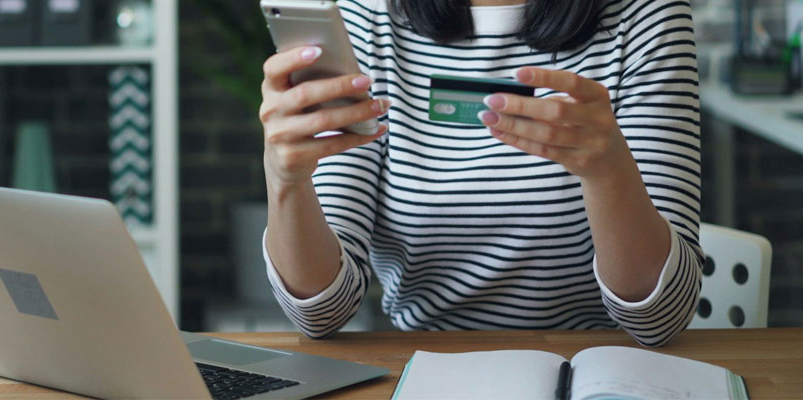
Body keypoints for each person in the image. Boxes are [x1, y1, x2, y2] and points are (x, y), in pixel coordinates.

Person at [259, 0, 701, 346]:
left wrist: (609, 174)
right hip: (424, 367)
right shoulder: (366, 19)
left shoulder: (647, 16)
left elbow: (662, 316)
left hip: (598, 367)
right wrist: (286, 181)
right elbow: (320, 312)